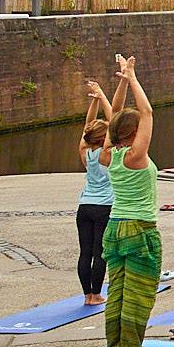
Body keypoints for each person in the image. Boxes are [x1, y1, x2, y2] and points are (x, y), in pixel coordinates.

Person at [100, 56, 161, 347]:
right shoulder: (135, 155)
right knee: (139, 290)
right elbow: (148, 112)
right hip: (140, 228)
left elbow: (113, 115)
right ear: (134, 130)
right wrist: (133, 77)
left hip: (114, 227)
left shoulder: (109, 154)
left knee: (117, 290)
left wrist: (123, 81)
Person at [75, 80, 117, 306]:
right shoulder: (107, 155)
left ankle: (86, 296)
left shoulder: (86, 153)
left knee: (85, 252)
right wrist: (102, 97)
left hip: (84, 207)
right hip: (104, 207)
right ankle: (97, 294)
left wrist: (93, 102)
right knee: (100, 252)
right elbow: (114, 122)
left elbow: (87, 129)